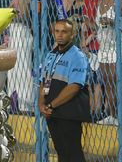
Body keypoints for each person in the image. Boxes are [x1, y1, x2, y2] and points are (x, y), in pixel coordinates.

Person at [39, 18, 90, 162]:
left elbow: (74, 87)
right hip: (52, 113)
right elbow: (43, 81)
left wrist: (50, 105)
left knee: (73, 154)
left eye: (64, 32)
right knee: (62, 152)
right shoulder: (51, 55)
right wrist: (41, 104)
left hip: (68, 113)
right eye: (57, 31)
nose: (60, 35)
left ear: (72, 34)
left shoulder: (77, 56)